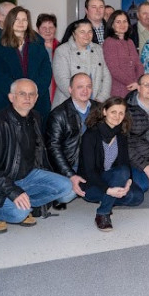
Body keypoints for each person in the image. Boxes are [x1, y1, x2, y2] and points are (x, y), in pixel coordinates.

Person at [0, 79, 76, 234]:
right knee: (19, 214)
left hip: (28, 176)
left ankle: (24, 203)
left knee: (67, 187)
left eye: (31, 94)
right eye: (22, 94)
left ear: (36, 98)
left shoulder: (35, 117)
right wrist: (13, 191)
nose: (27, 98)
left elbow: (39, 153)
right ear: (11, 97)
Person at [78, 97, 144, 231]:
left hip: (114, 179)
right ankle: (103, 213)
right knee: (122, 172)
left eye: (121, 113)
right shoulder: (91, 135)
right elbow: (89, 171)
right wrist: (108, 190)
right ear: (104, 112)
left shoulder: (121, 134)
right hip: (92, 184)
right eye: (113, 112)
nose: (117, 116)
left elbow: (125, 161)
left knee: (137, 197)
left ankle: (109, 198)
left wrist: (128, 182)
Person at [0, 6, 53, 123]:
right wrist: (17, 93)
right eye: (17, 19)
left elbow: (46, 71)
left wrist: (33, 92)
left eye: (24, 20)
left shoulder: (38, 42)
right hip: (7, 98)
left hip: (36, 100)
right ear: (10, 21)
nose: (21, 23)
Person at [46, 73, 97, 209]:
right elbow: (53, 148)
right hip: (71, 166)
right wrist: (70, 175)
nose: (85, 90)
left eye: (88, 86)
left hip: (94, 165)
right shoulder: (58, 114)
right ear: (70, 89)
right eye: (80, 87)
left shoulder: (100, 109)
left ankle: (89, 187)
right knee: (66, 195)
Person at [52, 19, 111, 107]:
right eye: (82, 32)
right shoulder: (62, 51)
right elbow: (62, 81)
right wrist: (82, 101)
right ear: (74, 34)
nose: (87, 35)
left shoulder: (98, 49)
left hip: (96, 103)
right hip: (68, 104)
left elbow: (106, 76)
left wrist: (101, 98)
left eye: (89, 32)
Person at [103, 10, 144, 98]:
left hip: (135, 87)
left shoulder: (130, 42)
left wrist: (138, 82)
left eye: (125, 21)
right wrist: (131, 83)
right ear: (112, 25)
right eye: (118, 22)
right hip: (119, 88)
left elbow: (138, 64)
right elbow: (114, 69)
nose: (122, 25)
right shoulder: (109, 42)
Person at [36, 13, 59, 104]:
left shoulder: (61, 48)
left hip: (58, 93)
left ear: (55, 29)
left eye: (51, 27)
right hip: (39, 91)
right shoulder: (33, 49)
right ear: (38, 29)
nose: (48, 31)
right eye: (44, 28)